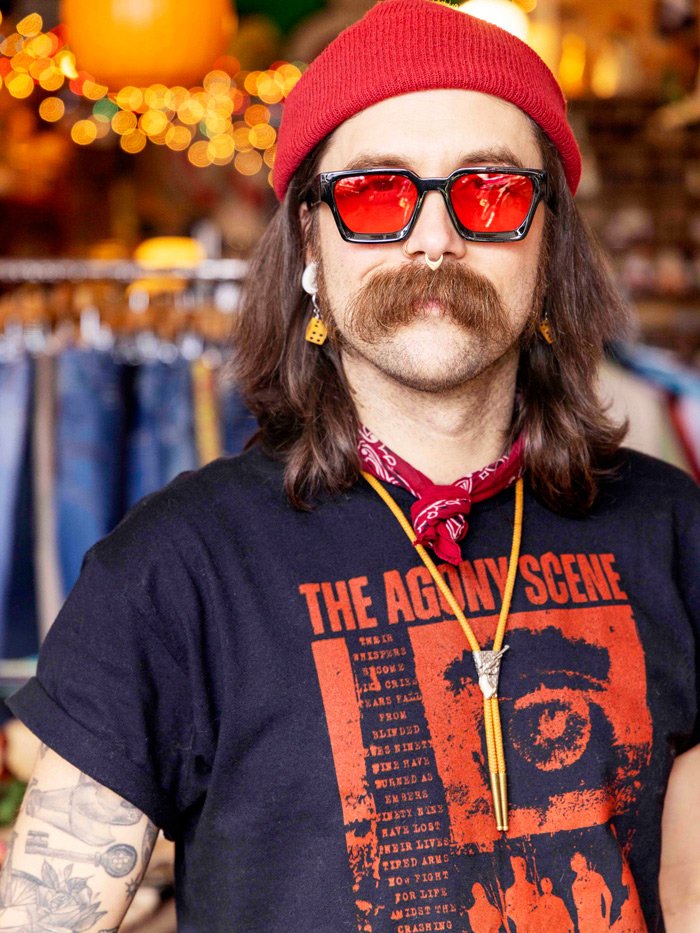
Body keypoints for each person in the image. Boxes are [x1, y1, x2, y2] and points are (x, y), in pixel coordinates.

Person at [1, 0, 698, 930]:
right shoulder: (179, 567)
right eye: (376, 195)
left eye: (489, 192)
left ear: (549, 242)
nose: (434, 238)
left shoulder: (673, 530)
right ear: (308, 247)